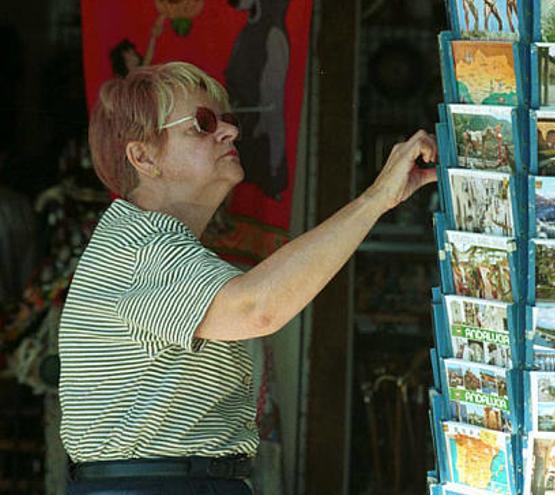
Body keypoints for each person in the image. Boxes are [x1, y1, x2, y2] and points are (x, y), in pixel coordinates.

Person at [59, 61, 436, 494]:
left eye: (228, 121)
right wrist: (376, 199)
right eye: (201, 125)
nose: (229, 132)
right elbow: (257, 308)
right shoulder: (140, 246)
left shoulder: (157, 242)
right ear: (143, 156)